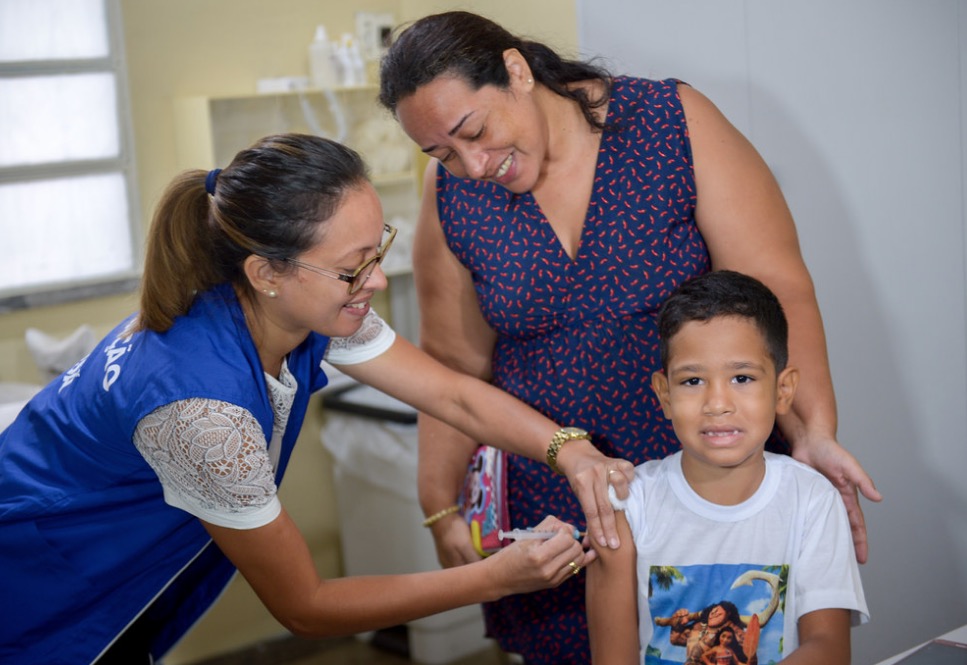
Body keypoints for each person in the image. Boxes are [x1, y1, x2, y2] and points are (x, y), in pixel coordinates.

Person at [0, 133, 634, 665]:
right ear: (267, 272)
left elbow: (453, 396)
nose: (377, 281)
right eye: (354, 266)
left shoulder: (281, 307)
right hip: (39, 583)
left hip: (103, 560)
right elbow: (304, 606)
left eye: (376, 249)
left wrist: (568, 450)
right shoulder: (203, 412)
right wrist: (496, 580)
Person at [377, 11, 880, 663]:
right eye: (441, 152)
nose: (470, 163)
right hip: (558, 509)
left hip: (708, 483)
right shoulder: (453, 194)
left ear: (516, 70)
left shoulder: (668, 122)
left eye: (472, 130)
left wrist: (814, 427)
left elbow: (776, 288)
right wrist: (439, 506)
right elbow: (452, 363)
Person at [586, 270, 869, 665]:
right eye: (692, 381)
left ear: (783, 390)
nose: (717, 403)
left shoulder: (812, 499)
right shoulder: (626, 506)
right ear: (664, 395)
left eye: (742, 377)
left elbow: (829, 648)